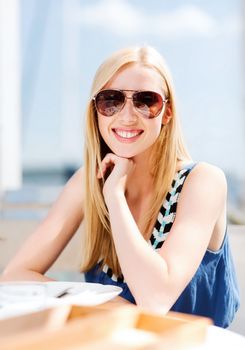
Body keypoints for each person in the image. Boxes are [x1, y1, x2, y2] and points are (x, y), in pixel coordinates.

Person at [1, 46, 239, 328]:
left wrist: (115, 196)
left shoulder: (202, 182)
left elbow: (155, 300)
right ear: (96, 111)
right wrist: (104, 302)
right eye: (111, 100)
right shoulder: (88, 181)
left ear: (166, 112)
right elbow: (15, 275)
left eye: (145, 101)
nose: (126, 116)